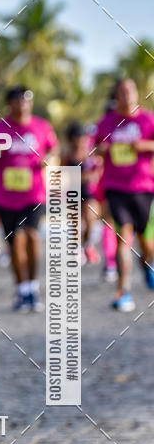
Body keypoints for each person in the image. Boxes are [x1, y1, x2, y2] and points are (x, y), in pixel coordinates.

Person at [0, 85, 57, 311]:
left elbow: (53, 150)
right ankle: (22, 289)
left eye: (27, 99)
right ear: (9, 103)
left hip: (34, 193)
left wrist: (47, 159)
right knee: (15, 242)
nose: (23, 104)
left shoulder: (42, 127)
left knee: (33, 237)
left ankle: (33, 287)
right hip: (6, 197)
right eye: (18, 100)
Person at [94, 77, 154, 311]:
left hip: (144, 187)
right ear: (115, 96)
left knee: (146, 242)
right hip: (115, 187)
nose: (127, 94)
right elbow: (93, 148)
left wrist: (144, 147)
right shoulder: (106, 122)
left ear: (136, 93)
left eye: (130, 90)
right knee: (123, 235)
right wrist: (100, 150)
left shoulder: (148, 119)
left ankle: (146, 263)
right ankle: (123, 291)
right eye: (122, 91)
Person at [63, 122, 103, 264]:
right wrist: (82, 177)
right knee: (75, 223)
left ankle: (88, 244)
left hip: (89, 193)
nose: (81, 139)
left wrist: (95, 175)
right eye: (78, 136)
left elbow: (99, 169)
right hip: (73, 193)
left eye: (83, 136)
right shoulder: (67, 156)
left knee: (91, 217)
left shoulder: (91, 154)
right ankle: (77, 249)